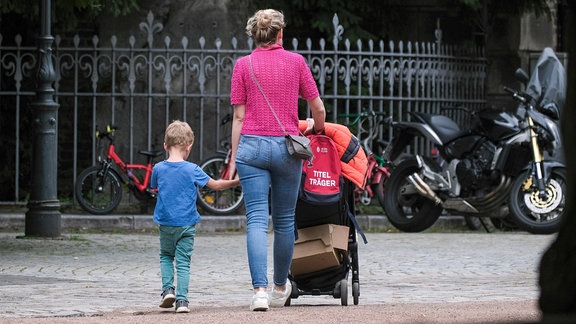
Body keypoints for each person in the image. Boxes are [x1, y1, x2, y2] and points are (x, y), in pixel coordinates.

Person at [228, 9, 326, 311]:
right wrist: (318, 127)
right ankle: (280, 287)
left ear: (254, 35)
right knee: (284, 221)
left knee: (256, 220)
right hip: (287, 149)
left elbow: (239, 116)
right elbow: (317, 107)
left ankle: (259, 291)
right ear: (280, 33)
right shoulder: (296, 63)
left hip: (252, 150)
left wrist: (234, 156)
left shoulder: (242, 65)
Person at [151, 120, 240, 313]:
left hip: (166, 223)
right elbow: (216, 185)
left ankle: (167, 290)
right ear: (189, 146)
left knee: (166, 256)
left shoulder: (158, 168)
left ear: (165, 145)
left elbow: (154, 186)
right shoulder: (193, 170)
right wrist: (237, 181)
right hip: (187, 224)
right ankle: (182, 301)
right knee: (183, 262)